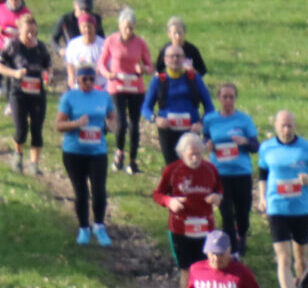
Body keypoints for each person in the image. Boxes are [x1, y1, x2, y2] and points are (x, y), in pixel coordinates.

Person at [254, 108, 308, 288]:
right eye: (283, 126)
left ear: (295, 126)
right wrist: (262, 198)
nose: (286, 130)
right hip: (277, 208)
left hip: (301, 209)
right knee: (283, 257)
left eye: (289, 126)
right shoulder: (266, 148)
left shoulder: (307, 148)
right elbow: (262, 174)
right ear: (276, 127)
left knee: (300, 256)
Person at [151, 129, 219, 283]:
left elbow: (219, 190)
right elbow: (157, 194)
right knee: (186, 270)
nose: (195, 158)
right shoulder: (172, 170)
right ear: (182, 154)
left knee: (205, 267)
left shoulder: (211, 169)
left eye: (198, 154)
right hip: (180, 228)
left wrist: (217, 197)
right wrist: (170, 201)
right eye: (191, 155)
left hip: (205, 227)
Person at [52, 61, 108, 245]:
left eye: (92, 79)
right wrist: (76, 124)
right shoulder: (69, 97)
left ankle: (99, 225)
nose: (88, 82)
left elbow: (113, 117)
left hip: (98, 151)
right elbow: (59, 125)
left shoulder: (103, 96)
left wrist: (111, 126)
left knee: (99, 190)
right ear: (77, 79)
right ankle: (83, 228)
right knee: (81, 191)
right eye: (84, 79)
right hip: (74, 151)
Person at [198, 80, 254, 256]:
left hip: (241, 172)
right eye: (224, 97)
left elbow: (256, 146)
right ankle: (233, 249)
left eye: (231, 97)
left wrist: (244, 141)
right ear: (219, 99)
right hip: (220, 173)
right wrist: (206, 143)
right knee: (226, 213)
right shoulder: (210, 119)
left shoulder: (244, 120)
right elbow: (204, 138)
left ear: (235, 99)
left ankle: (242, 234)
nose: (228, 101)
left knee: (243, 213)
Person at [138, 40, 207, 165]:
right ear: (165, 60)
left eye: (179, 56)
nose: (175, 59)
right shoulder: (158, 80)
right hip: (167, 130)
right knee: (172, 167)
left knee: (190, 165)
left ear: (184, 59)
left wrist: (201, 123)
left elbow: (210, 108)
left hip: (191, 129)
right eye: (171, 56)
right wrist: (155, 119)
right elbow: (145, 108)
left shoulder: (194, 78)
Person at [91, 5, 142, 173]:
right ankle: (119, 153)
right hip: (116, 86)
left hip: (135, 87)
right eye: (125, 27)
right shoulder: (111, 41)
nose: (128, 30)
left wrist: (143, 68)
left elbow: (150, 65)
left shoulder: (140, 43)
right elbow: (101, 63)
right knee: (121, 121)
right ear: (120, 26)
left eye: (131, 27)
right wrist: (108, 74)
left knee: (134, 124)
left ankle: (133, 161)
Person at [3, 15, 52, 177]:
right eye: (27, 33)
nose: (31, 36)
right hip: (18, 93)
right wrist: (14, 73)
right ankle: (18, 155)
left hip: (37, 93)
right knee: (21, 129)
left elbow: (48, 65)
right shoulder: (13, 46)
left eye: (33, 32)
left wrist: (48, 75)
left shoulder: (41, 47)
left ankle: (34, 164)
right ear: (20, 31)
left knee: (37, 129)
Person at [56, 0, 96, 86]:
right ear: (75, 5)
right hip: (73, 58)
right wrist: (59, 50)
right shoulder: (65, 20)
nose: (84, 12)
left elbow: (101, 39)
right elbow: (53, 39)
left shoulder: (94, 19)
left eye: (88, 10)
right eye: (82, 9)